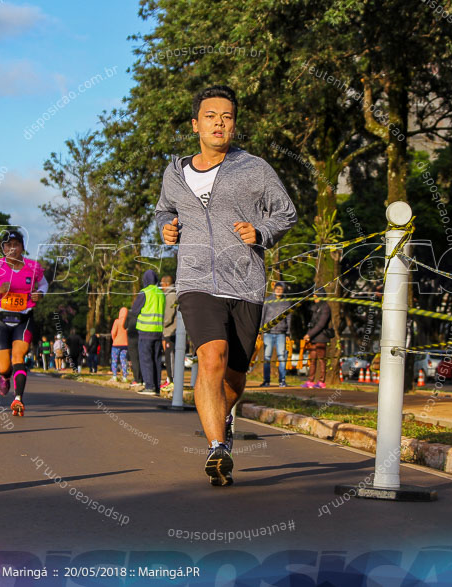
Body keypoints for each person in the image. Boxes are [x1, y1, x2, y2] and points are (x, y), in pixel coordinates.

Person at [155, 85, 297, 485]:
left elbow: (286, 212)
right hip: (196, 279)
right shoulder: (175, 172)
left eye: (227, 117)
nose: (219, 123)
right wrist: (164, 228)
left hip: (245, 282)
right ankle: (217, 449)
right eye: (211, 116)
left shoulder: (255, 168)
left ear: (233, 125)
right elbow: (164, 209)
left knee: (234, 377)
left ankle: (225, 423)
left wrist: (261, 230)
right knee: (211, 358)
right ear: (196, 123)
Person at [0, 230, 47, 416]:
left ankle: (18, 399)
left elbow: (44, 284)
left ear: (22, 247)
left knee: (19, 355)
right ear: (3, 248)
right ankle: (5, 375)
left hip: (23, 319)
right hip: (1, 319)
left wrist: (40, 293)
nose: (12, 248)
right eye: (8, 245)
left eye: (16, 245)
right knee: (3, 366)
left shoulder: (33, 267)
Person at [128, 269, 165, 395]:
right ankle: (157, 387)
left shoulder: (145, 292)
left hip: (145, 331)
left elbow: (134, 310)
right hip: (159, 331)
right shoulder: (161, 293)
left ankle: (149, 386)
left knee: (146, 359)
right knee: (157, 360)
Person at [260, 281, 291, 387]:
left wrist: (288, 333)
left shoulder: (286, 303)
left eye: (281, 289)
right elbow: (262, 316)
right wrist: (260, 330)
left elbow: (289, 319)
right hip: (268, 333)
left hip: (281, 334)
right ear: (274, 289)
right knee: (267, 357)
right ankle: (266, 380)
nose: (278, 291)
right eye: (277, 288)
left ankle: (282, 380)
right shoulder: (268, 301)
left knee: (282, 357)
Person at [302, 289, 332, 389]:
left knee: (321, 360)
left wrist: (309, 335)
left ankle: (322, 381)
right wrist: (308, 335)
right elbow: (312, 323)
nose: (314, 297)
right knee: (312, 360)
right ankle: (310, 381)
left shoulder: (325, 307)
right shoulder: (314, 307)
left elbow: (321, 324)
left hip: (321, 338)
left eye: (315, 295)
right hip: (313, 339)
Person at [161, 275, 178, 391]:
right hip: (170, 330)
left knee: (170, 355)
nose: (161, 286)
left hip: (171, 330)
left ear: (166, 284)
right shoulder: (171, 294)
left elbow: (168, 315)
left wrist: (162, 325)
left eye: (162, 284)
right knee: (169, 355)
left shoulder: (170, 295)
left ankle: (172, 380)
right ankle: (169, 379)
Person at [110, 307, 129, 382]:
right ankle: (125, 377)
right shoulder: (127, 322)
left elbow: (113, 332)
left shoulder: (117, 321)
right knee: (123, 360)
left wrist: (114, 339)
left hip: (116, 344)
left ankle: (114, 376)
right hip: (125, 344)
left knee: (114, 360)